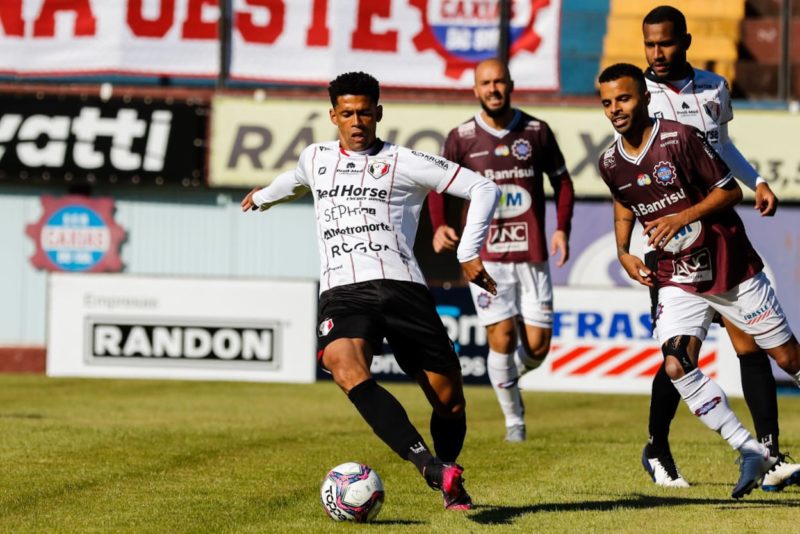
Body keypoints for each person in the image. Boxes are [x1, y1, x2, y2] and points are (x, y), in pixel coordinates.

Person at [241, 72, 500, 511]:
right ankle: (430, 468)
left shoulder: (406, 161)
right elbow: (295, 180)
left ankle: (449, 472)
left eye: (364, 112)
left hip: (403, 289)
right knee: (342, 364)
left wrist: (469, 252)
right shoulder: (316, 158)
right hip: (345, 291)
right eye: (347, 114)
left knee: (450, 405)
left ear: (378, 113)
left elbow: (483, 187)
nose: (357, 121)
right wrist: (264, 196)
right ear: (333, 116)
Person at [596, 63, 800, 498]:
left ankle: (761, 451)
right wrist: (623, 253)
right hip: (677, 275)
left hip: (730, 264)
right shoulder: (610, 161)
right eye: (608, 102)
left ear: (646, 98)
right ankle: (749, 451)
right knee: (676, 361)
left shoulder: (680, 138)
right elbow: (623, 203)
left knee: (787, 358)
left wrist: (682, 215)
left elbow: (729, 191)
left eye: (624, 98)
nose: (616, 109)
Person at [427, 58, 574, 443]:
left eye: (499, 82)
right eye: (485, 83)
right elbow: (437, 185)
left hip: (532, 254)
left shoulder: (537, 131)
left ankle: (507, 378)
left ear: (510, 85)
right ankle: (515, 423)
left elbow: (563, 183)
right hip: (486, 255)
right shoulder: (461, 137)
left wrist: (562, 230)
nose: (493, 89)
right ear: (475, 90)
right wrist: (441, 224)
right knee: (502, 338)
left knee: (538, 348)